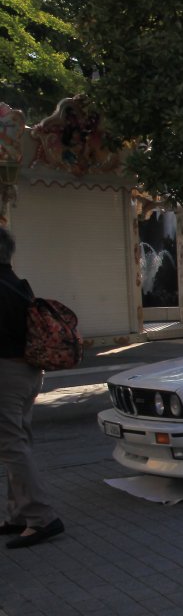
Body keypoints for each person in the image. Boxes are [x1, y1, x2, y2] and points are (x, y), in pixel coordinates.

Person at [0, 227, 63, 549]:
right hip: (27, 372)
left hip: (6, 374)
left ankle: (41, 518)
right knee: (18, 442)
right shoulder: (17, 283)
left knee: (11, 446)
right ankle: (18, 514)